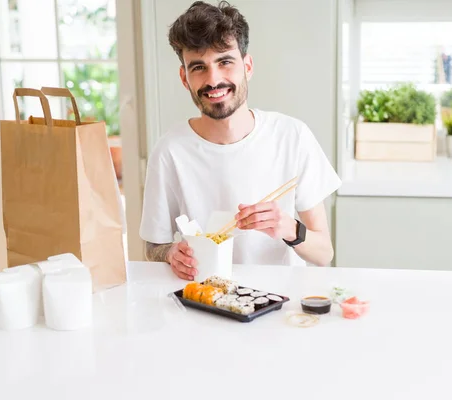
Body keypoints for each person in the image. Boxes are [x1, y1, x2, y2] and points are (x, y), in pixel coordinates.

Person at [139, 0, 341, 280]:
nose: (213, 80)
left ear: (247, 66)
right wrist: (171, 253)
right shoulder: (169, 150)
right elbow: (153, 246)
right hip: (204, 300)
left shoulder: (292, 137)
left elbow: (324, 254)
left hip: (280, 302)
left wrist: (287, 227)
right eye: (199, 67)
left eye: (225, 62)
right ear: (185, 78)